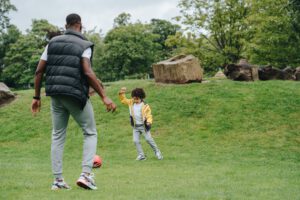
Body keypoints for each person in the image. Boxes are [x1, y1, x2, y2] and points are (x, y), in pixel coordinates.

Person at [31, 13, 116, 190]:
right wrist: (104, 96)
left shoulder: (52, 43)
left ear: (66, 25)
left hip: (55, 93)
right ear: (80, 25)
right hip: (75, 95)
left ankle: (58, 181)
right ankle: (85, 175)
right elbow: (87, 71)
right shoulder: (84, 44)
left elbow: (39, 71)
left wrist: (36, 97)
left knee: (58, 135)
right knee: (90, 132)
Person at [119, 87, 163, 161]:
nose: (135, 100)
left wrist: (149, 121)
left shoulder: (145, 105)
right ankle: (141, 155)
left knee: (148, 139)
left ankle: (157, 152)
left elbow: (149, 115)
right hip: (135, 127)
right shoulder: (131, 102)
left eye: (137, 99)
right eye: (134, 98)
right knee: (135, 141)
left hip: (144, 127)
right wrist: (121, 93)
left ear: (141, 97)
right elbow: (123, 100)